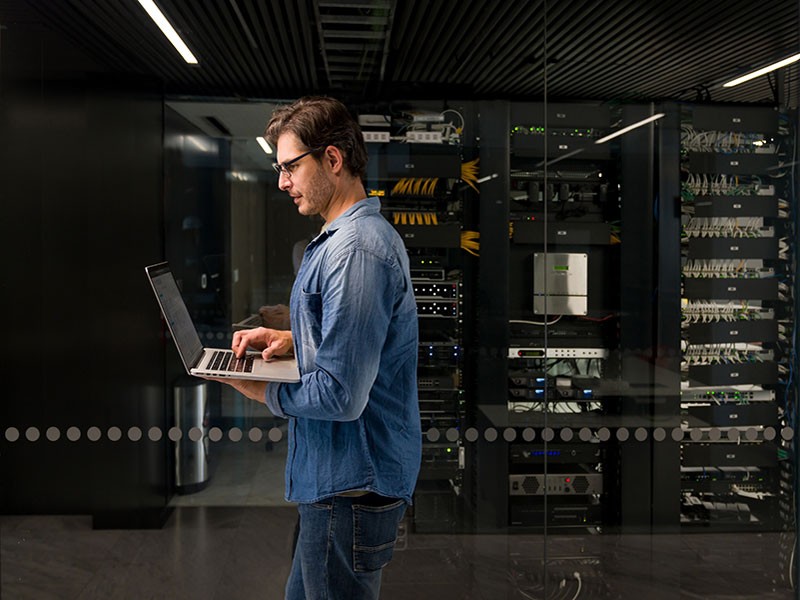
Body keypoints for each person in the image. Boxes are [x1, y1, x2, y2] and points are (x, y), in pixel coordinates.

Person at [219, 96, 421, 600]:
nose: (283, 182)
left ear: (333, 159)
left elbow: (341, 396)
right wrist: (292, 338)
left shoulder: (355, 251)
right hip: (338, 484)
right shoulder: (344, 240)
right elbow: (356, 342)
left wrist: (256, 389)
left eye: (290, 167)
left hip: (349, 486)